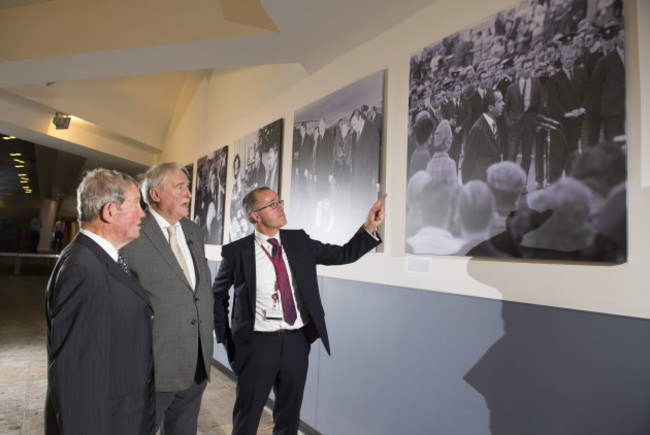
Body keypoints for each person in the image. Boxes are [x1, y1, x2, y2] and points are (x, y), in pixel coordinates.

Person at [212, 187, 386, 435]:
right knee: (247, 418)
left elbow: (343, 254)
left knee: (289, 417)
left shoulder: (299, 241)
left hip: (296, 343)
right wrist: (224, 337)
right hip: (256, 346)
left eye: (279, 201)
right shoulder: (236, 252)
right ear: (255, 216)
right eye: (272, 204)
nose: (280, 206)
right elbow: (217, 296)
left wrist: (369, 227)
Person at [45, 169, 154, 435]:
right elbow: (77, 379)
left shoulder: (97, 259)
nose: (142, 213)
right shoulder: (84, 271)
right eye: (136, 205)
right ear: (109, 212)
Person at [121, 162, 214, 434]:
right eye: (180, 187)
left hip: (195, 361)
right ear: (155, 195)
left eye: (188, 186)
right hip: (153, 367)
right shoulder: (132, 232)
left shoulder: (194, 230)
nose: (189, 193)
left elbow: (198, 291)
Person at [462, 88, 505, 183]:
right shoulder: (478, 129)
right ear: (490, 108)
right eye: (500, 101)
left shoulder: (493, 123)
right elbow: (468, 161)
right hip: (480, 183)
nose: (503, 104)